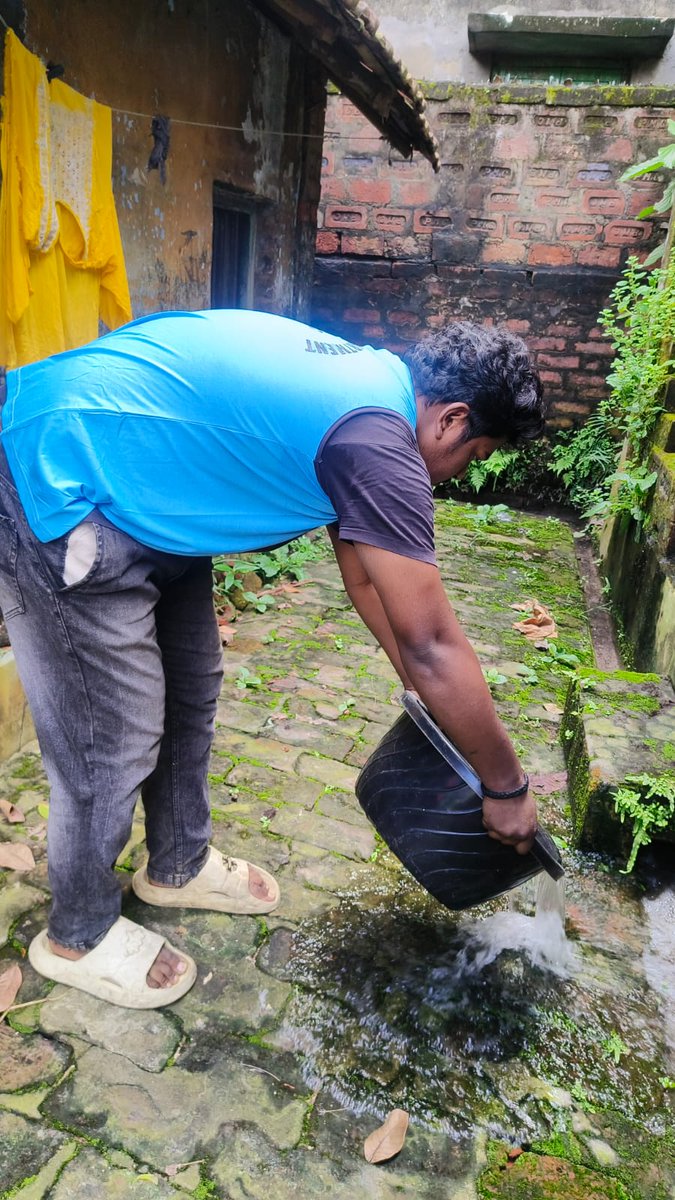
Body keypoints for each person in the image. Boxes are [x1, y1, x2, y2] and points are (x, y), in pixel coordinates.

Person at [0, 309, 545, 1009]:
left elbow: (365, 581)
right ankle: (77, 932)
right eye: (474, 454)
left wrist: (431, 704)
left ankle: (176, 864)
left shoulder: (373, 396)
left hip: (153, 496)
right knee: (112, 736)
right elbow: (431, 642)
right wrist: (504, 788)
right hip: (62, 473)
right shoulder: (377, 441)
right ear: (451, 420)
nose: (460, 472)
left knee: (192, 689)